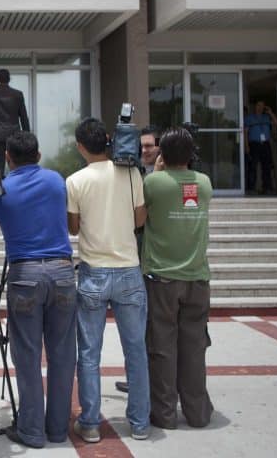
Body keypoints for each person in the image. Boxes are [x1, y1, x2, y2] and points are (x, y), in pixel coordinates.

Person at [0, 132, 75, 449]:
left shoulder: (1, 189)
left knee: (27, 356)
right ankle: (58, 429)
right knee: (63, 354)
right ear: (38, 155)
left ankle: (32, 431)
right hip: (62, 271)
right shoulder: (56, 181)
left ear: (8, 157)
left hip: (24, 273)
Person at [66, 118, 149, 443]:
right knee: (136, 350)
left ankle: (89, 424)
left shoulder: (75, 181)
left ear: (80, 147)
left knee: (89, 353)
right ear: (108, 141)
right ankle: (140, 423)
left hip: (93, 273)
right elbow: (140, 219)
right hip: (128, 270)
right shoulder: (131, 174)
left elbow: (73, 228)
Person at [142, 127, 214, 430]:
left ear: (162, 153)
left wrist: (158, 169)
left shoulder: (153, 182)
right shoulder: (204, 183)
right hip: (197, 278)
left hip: (162, 278)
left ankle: (165, 414)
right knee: (194, 348)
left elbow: (141, 214)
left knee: (162, 347)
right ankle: (198, 413)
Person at [116, 124, 161, 393]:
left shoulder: (163, 178)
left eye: (149, 146)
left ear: (159, 148)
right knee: (135, 326)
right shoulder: (131, 174)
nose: (144, 150)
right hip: (133, 255)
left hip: (156, 258)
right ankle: (136, 378)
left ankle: (152, 380)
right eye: (141, 146)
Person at [0, 68, 30, 170]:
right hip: (14, 134)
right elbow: (23, 116)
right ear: (9, 79)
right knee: (16, 161)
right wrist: (27, 134)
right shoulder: (18, 94)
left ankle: (0, 180)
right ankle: (16, 180)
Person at [245, 100, 277, 193]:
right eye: (258, 105)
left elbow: (276, 123)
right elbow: (245, 132)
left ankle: (267, 187)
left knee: (267, 166)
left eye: (262, 106)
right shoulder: (249, 118)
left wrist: (270, 112)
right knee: (253, 166)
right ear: (255, 106)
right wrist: (246, 146)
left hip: (265, 144)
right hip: (254, 144)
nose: (260, 107)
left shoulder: (266, 117)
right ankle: (251, 188)